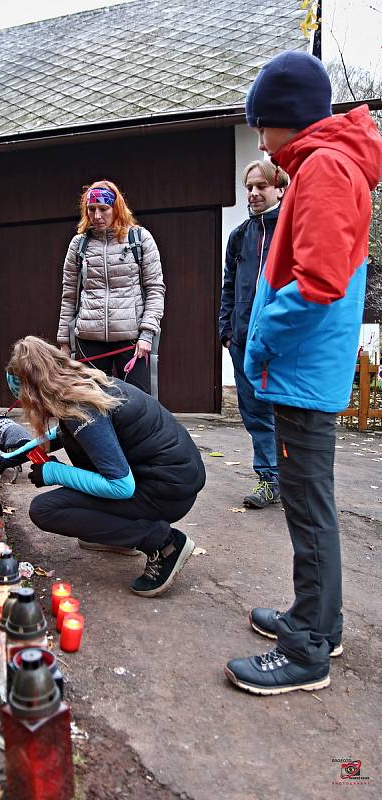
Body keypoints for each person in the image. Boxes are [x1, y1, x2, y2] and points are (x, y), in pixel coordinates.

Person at [225, 51, 382, 695]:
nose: (259, 138)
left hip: (301, 370)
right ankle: (321, 620)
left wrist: (259, 339)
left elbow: (315, 282)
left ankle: (310, 648)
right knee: (308, 501)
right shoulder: (331, 165)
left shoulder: (322, 170)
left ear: (286, 118)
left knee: (308, 508)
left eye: (262, 123)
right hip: (308, 369)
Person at [0, 336, 205, 598]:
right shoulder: (81, 387)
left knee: (46, 509)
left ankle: (164, 542)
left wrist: (53, 472)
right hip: (171, 479)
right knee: (78, 500)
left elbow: (120, 486)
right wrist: (16, 456)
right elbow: (66, 432)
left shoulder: (82, 408)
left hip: (166, 492)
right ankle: (122, 535)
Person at [219, 160, 289, 508]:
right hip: (243, 341)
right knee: (254, 412)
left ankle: (294, 479)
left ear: (280, 188)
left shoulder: (293, 230)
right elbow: (229, 286)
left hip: (283, 344)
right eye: (249, 187)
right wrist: (226, 331)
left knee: (287, 413)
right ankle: (269, 478)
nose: (254, 193)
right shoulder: (239, 236)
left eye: (261, 186)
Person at [57, 179, 165, 395]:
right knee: (92, 407)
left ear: (116, 208)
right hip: (89, 340)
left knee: (139, 405)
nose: (97, 216)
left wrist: (146, 335)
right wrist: (64, 343)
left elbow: (155, 289)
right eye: (91, 209)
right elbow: (69, 295)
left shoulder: (139, 239)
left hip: (131, 341)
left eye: (103, 209)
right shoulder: (79, 245)